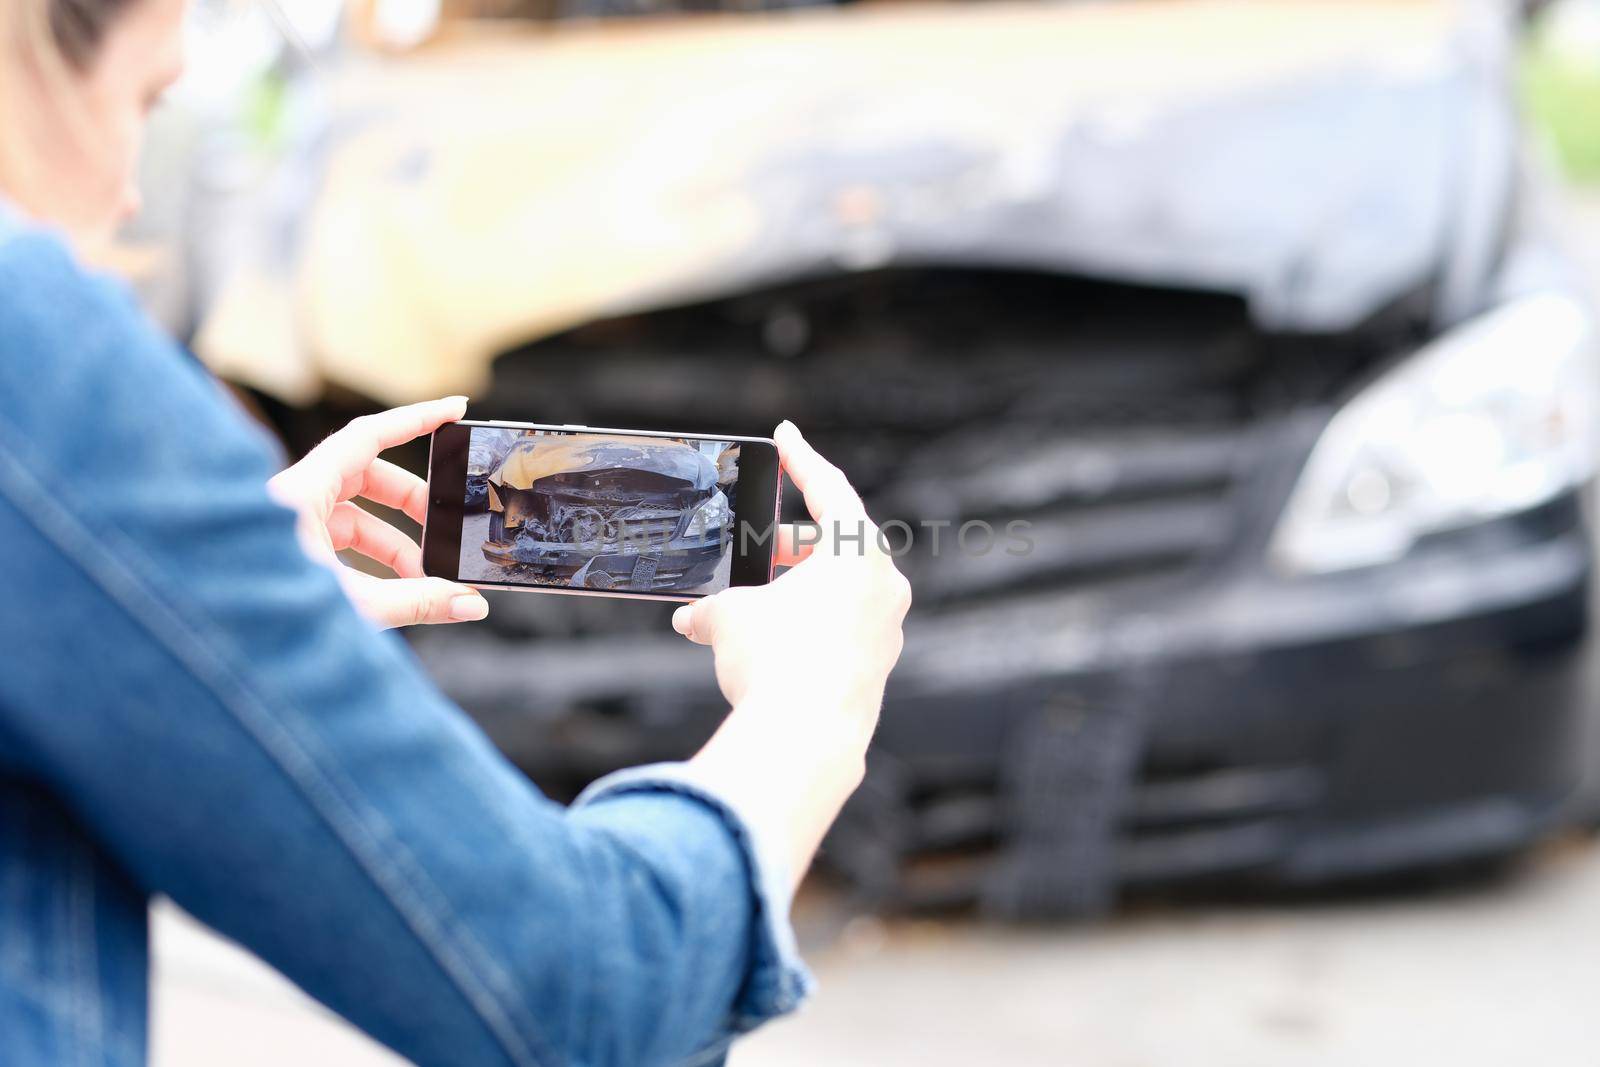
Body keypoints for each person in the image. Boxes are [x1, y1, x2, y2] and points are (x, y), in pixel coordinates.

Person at [0, 1, 912, 1064]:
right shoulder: (32, 354)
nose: (124, 196)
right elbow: (592, 991)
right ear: (32, 67)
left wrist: (185, 597)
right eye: (146, 100)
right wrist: (816, 704)